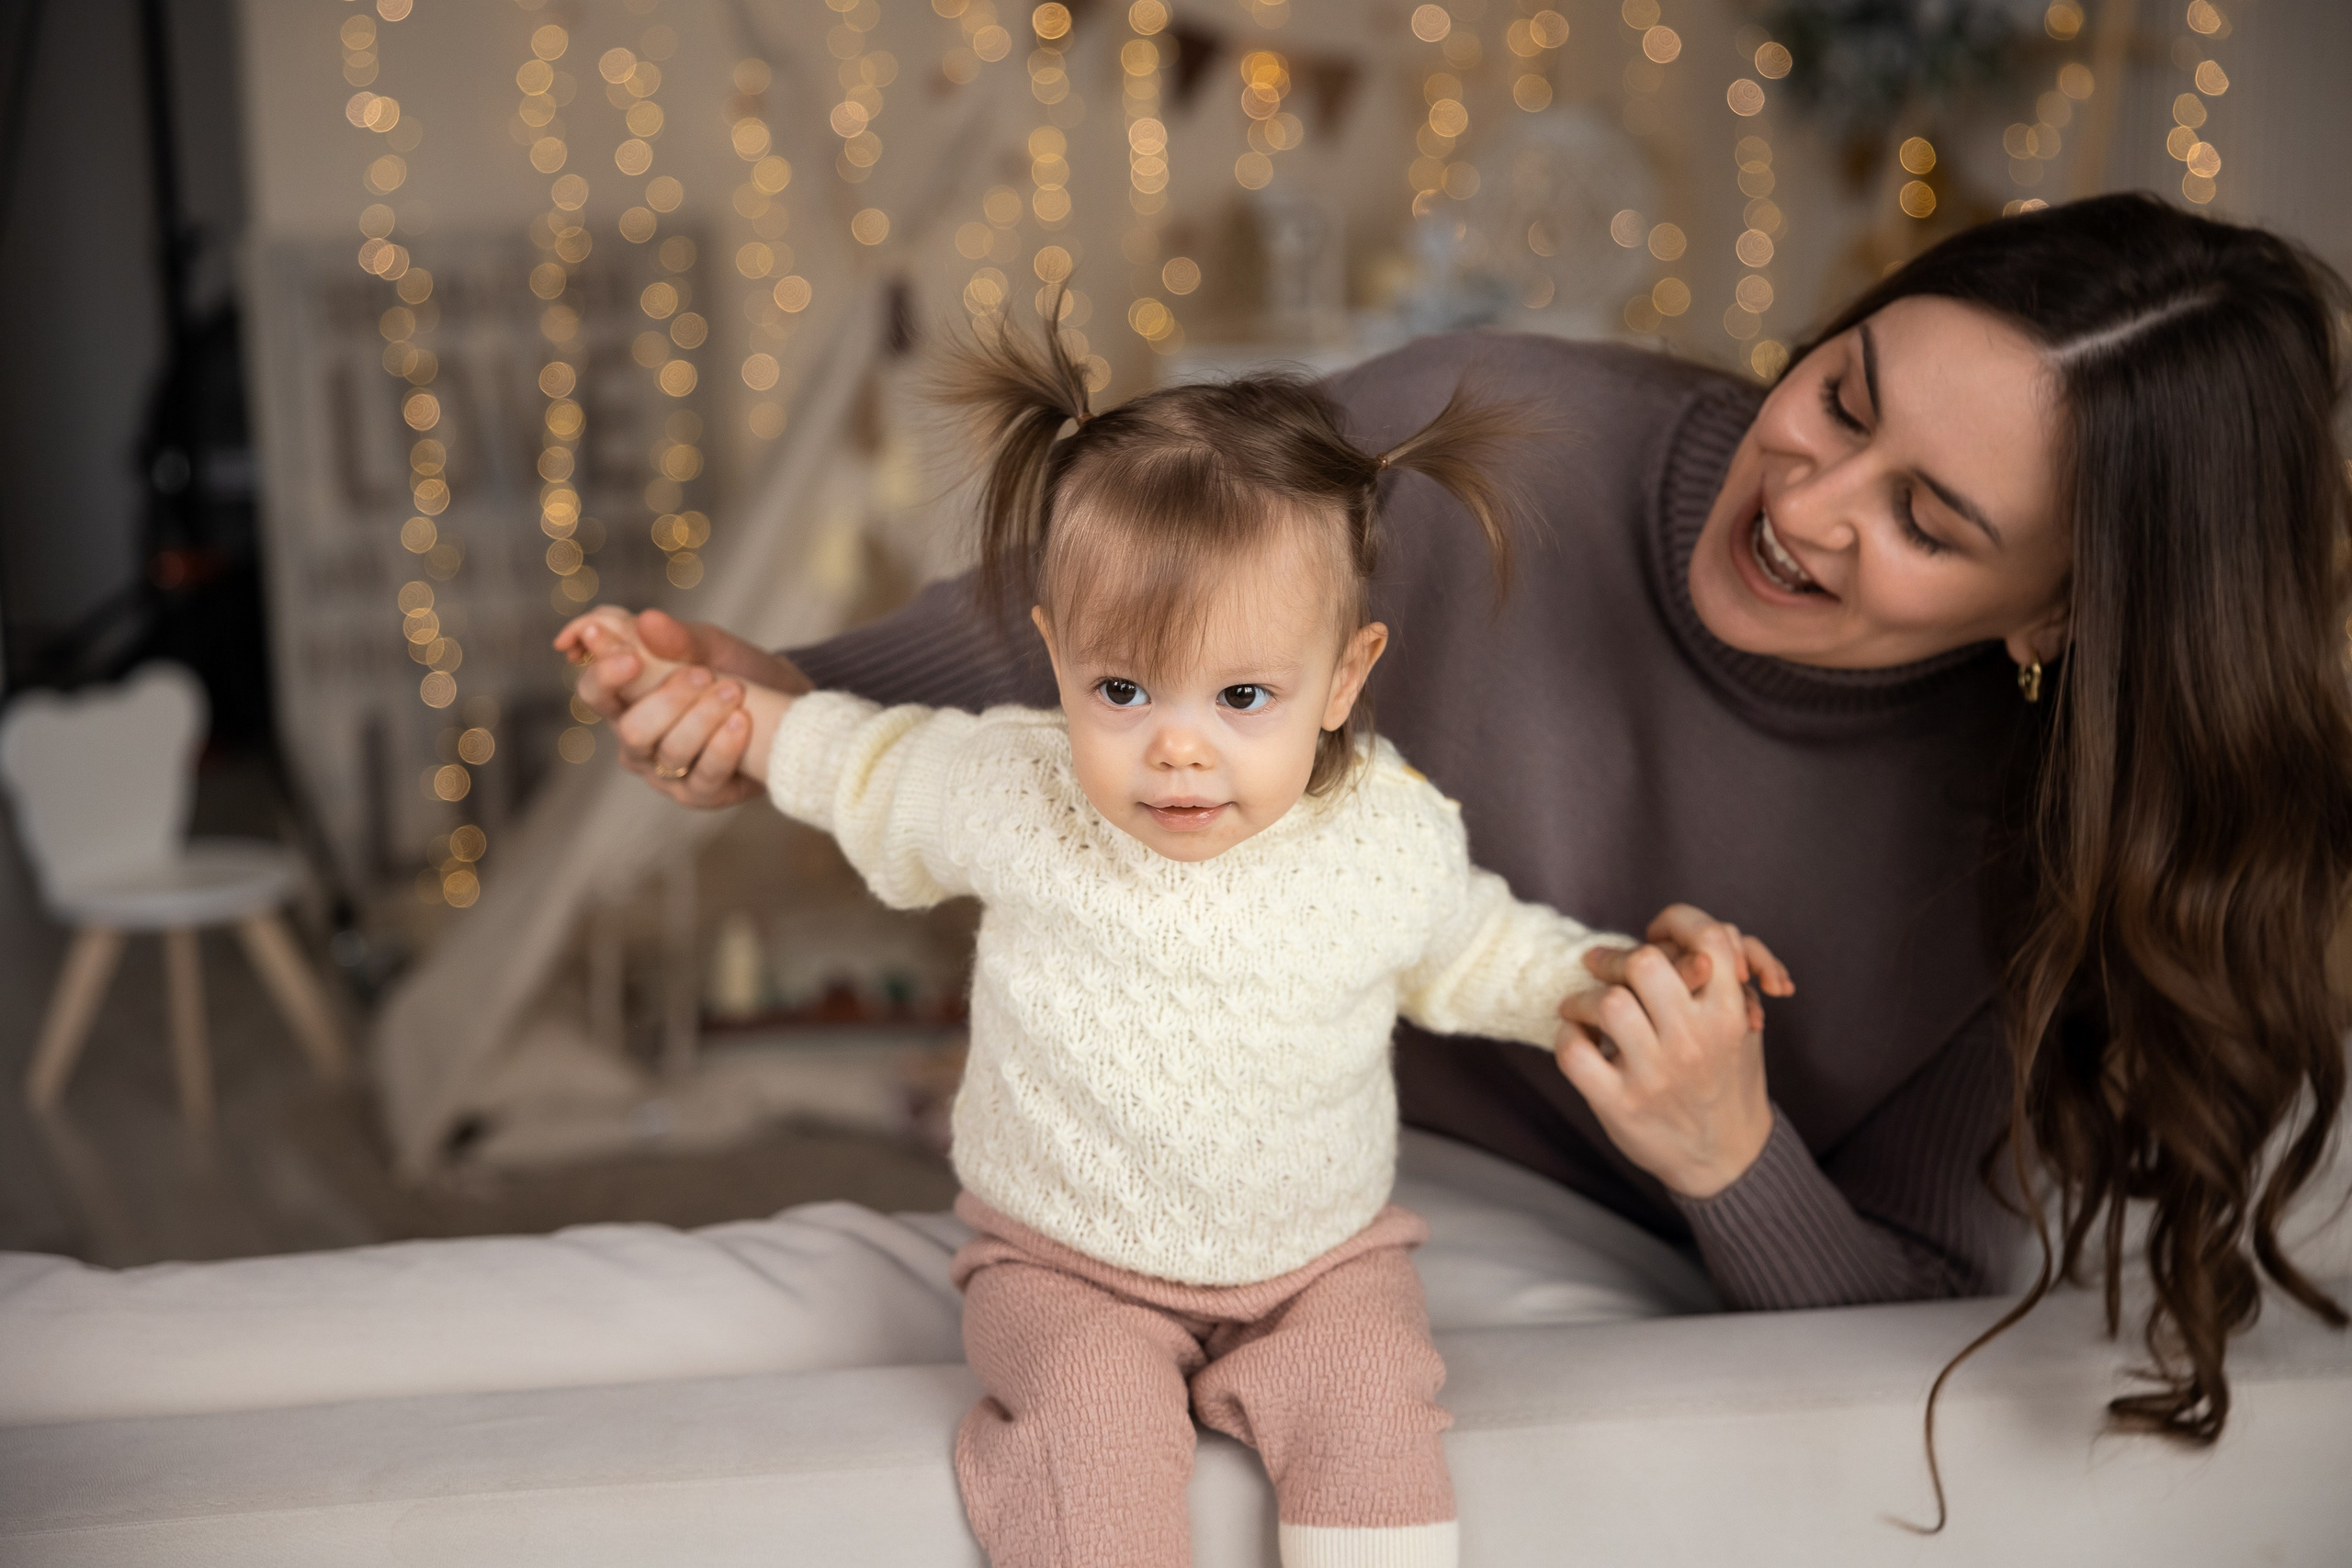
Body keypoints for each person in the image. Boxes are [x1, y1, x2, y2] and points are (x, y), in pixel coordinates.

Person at [565, 195, 2351, 1471]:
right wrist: (781, 698)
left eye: (1925, 517)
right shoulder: (1510, 427)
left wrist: (1725, 1152)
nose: (1802, 501)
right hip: (1255, 1138)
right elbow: (1113, 606)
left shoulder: (2036, 850)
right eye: (1840, 395)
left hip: (1599, 1268)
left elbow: (1900, 1301)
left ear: (2054, 612)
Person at [566, 324, 1790, 1568]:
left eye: (1242, 698)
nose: (1178, 748)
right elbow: (859, 761)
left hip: (1321, 1264)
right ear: (1056, 661)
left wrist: (1620, 979)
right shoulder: (1014, 790)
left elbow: (1484, 949)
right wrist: (719, 708)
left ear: (1344, 677)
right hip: (1066, 1263)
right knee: (1089, 1444)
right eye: (1123, 692)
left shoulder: (1385, 837)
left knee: (1376, 1413)